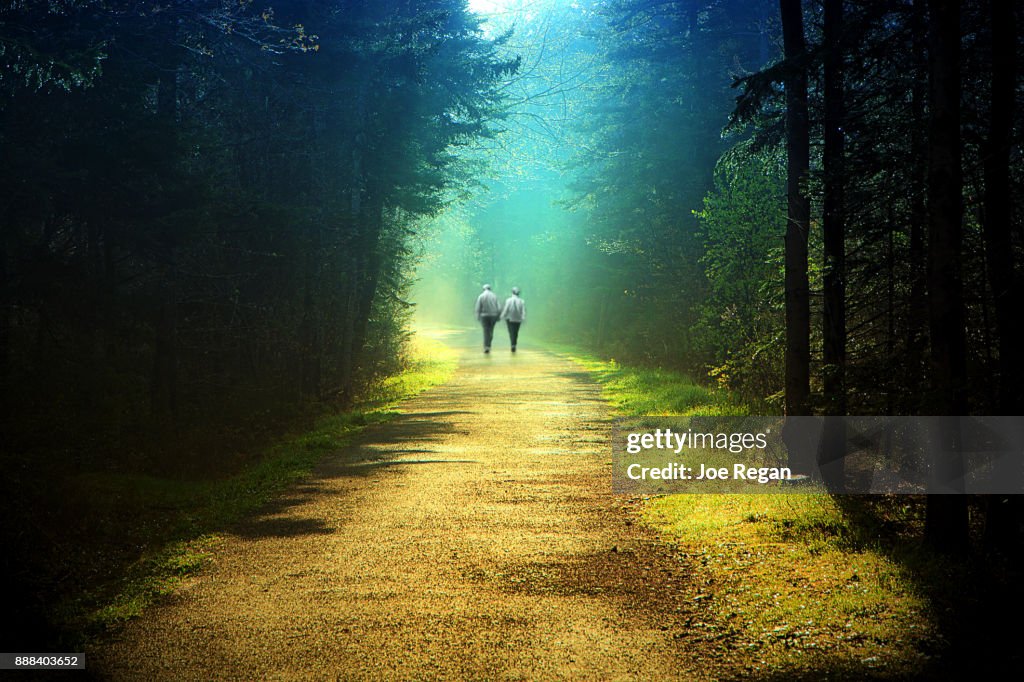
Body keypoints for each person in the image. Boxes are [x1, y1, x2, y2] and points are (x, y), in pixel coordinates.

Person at [474, 284, 501, 353]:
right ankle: (489, 344)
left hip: (484, 316)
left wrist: (477, 316)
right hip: (493, 315)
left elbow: (478, 307)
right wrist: (498, 316)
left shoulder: (481, 296)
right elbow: (499, 308)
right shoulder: (494, 296)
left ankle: (486, 346)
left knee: (486, 331)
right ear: (490, 289)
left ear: (484, 289)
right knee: (491, 330)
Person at [500, 286, 526, 352]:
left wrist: (502, 316)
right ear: (518, 293)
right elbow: (523, 311)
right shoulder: (521, 301)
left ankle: (513, 344)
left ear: (512, 292)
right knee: (516, 332)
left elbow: (506, 310)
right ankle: (514, 344)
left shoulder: (508, 300)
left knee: (511, 332)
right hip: (518, 319)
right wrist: (523, 317)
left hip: (509, 319)